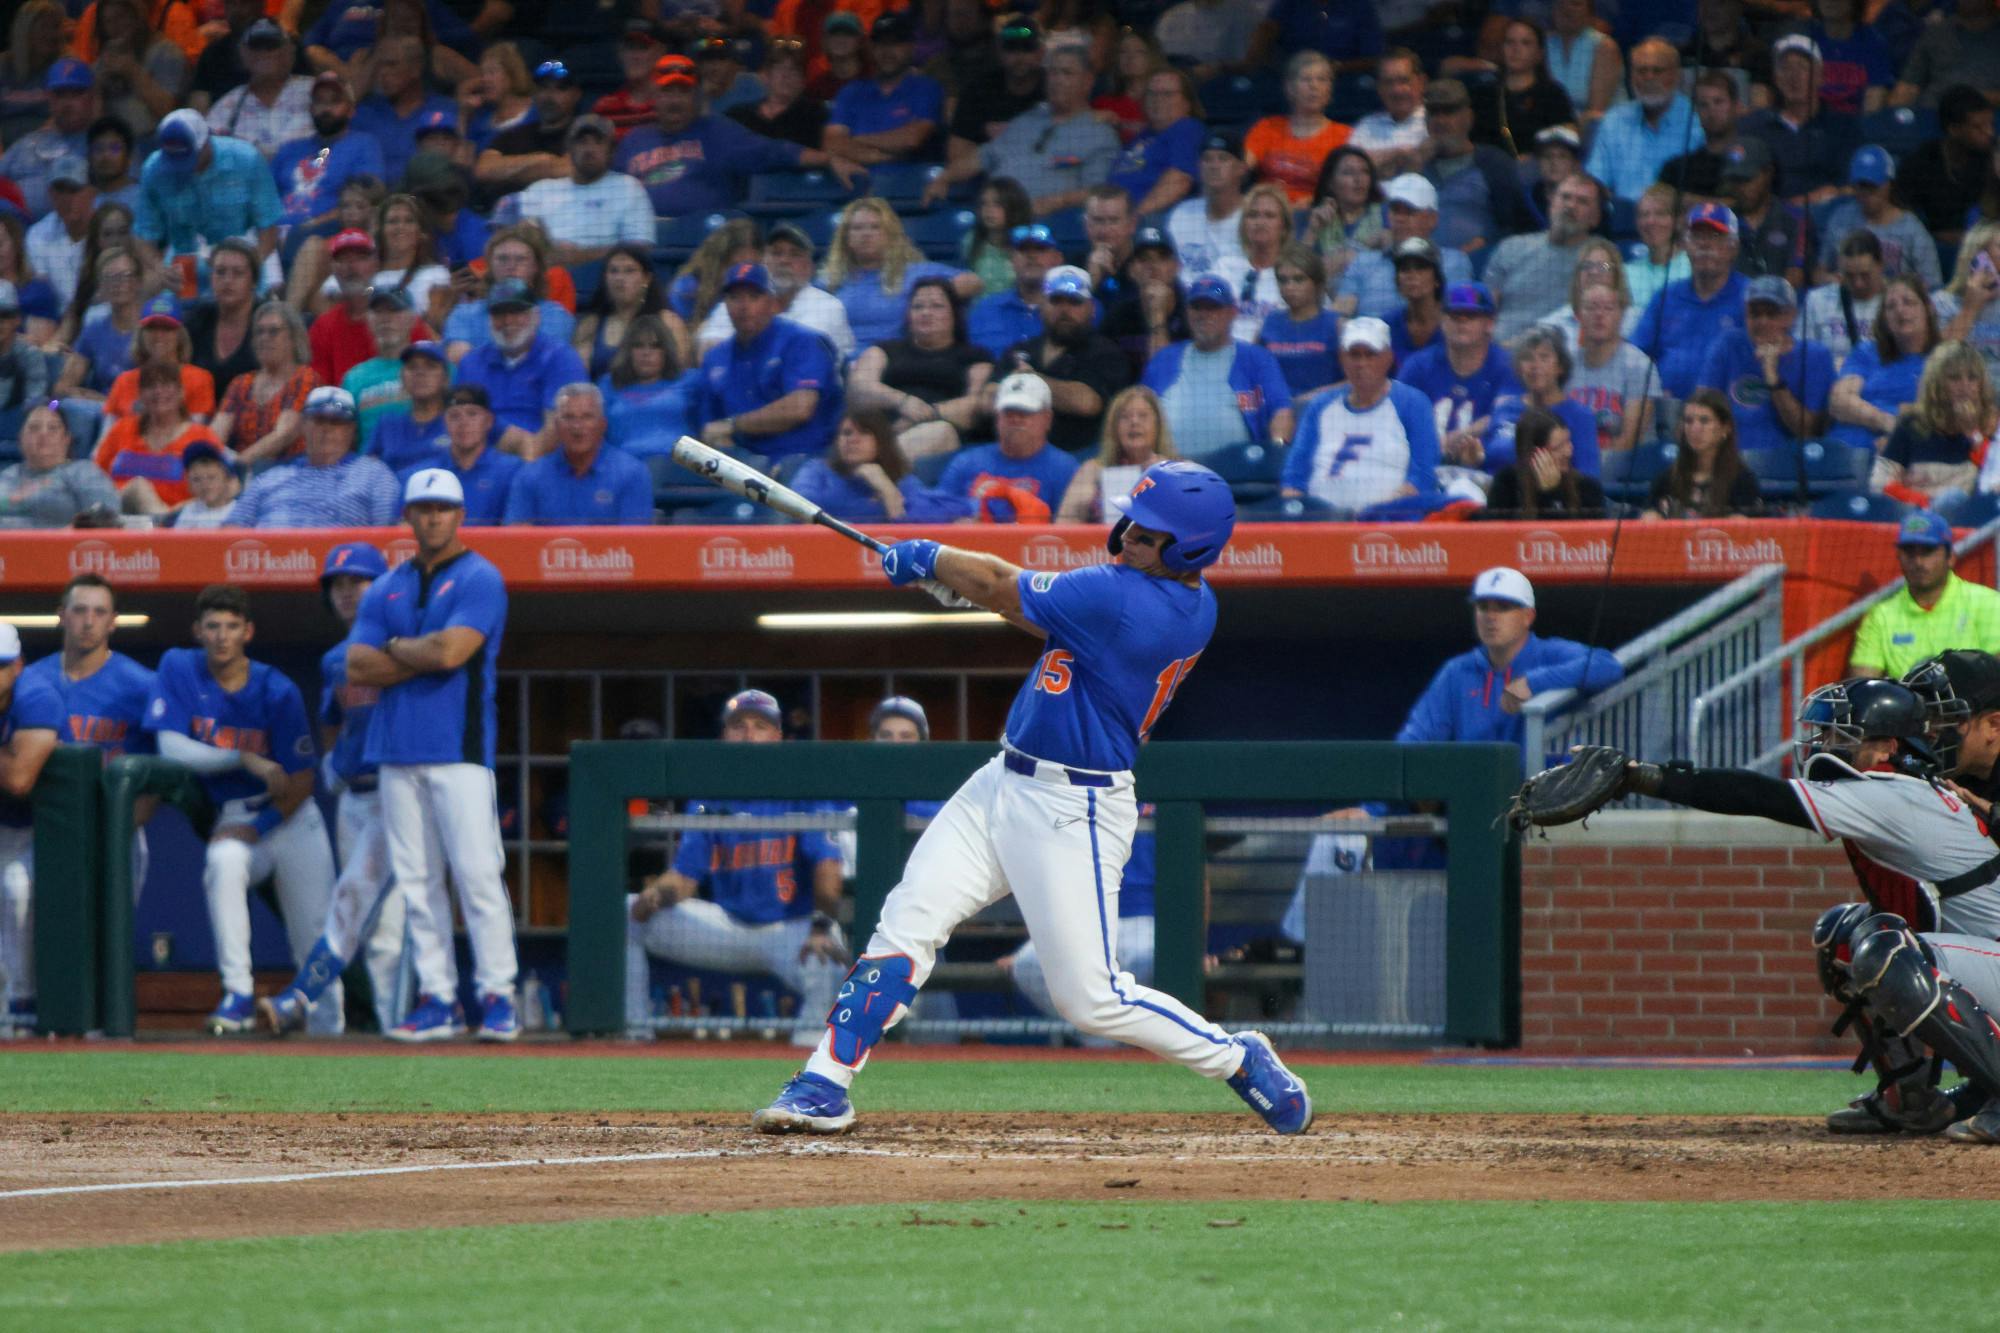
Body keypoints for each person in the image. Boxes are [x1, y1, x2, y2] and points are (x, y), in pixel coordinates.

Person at [752, 460, 1314, 1138]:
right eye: (1134, 519)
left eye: (1152, 532)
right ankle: (823, 1080)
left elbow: (1003, 583)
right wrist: (977, 592)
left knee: (1090, 999)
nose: (1132, 534)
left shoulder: (1132, 600)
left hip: (1072, 809)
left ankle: (1234, 1055)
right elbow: (1037, 612)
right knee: (906, 921)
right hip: (1002, 781)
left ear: (1192, 547)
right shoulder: (1153, 594)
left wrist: (930, 556)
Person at [346, 467, 519, 1042]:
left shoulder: (481, 576)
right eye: (423, 508)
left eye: (443, 507)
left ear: (460, 514)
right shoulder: (385, 585)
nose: (433, 517)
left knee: (476, 875)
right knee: (417, 881)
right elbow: (357, 664)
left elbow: (451, 651)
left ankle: (499, 994)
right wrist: (410, 654)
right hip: (395, 750)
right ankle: (438, 997)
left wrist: (395, 649)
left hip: (459, 749)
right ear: (409, 516)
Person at [146, 584, 335, 1035]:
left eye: (232, 626)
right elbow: (168, 747)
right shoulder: (179, 667)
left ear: (248, 631)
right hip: (236, 810)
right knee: (222, 862)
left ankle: (332, 1028)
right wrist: (241, 758)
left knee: (313, 930)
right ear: (198, 630)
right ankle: (237, 993)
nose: (222, 636)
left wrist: (263, 825)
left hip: (289, 818)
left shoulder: (277, 689)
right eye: (213, 626)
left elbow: (304, 779)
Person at [626, 688, 848, 1046]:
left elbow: (826, 867)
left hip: (791, 929)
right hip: (726, 928)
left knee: (830, 967)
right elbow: (685, 877)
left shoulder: (803, 788)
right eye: (738, 726)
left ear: (778, 737)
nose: (748, 735)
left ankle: (808, 1061)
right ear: (723, 737)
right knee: (626, 912)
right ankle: (631, 1032)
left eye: (760, 726)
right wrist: (656, 893)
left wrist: (822, 924)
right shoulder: (708, 797)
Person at [259, 544, 412, 1037]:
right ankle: (340, 1027)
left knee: (386, 927)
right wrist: (335, 761)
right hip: (354, 798)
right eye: (338, 584)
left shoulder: (404, 645)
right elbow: (332, 720)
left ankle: (394, 1031)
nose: (347, 592)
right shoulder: (332, 661)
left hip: (398, 794)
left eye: (358, 581)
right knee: (359, 918)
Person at [617, 53, 859, 218]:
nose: (675, 101)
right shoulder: (633, 141)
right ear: (654, 96)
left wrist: (828, 159)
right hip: (644, 246)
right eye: (667, 92)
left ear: (696, 97)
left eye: (683, 92)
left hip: (706, 241)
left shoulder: (718, 132)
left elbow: (776, 152)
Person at [922, 46, 1118, 216]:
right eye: (1053, 72)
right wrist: (945, 177)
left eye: (1067, 73)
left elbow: (1096, 190)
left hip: (1046, 226)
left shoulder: (1099, 134)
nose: (1057, 80)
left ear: (1088, 81)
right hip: (994, 219)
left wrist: (1054, 202)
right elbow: (983, 156)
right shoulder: (1027, 120)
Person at [1282, 316, 1439, 512]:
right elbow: (1294, 476)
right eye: (1354, 355)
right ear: (1342, 358)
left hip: (1387, 522)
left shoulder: (1412, 403)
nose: (1361, 363)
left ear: (1388, 357)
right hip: (1320, 522)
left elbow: (1423, 476)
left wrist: (1377, 514)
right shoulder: (1320, 406)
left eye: (1370, 354)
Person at [695, 262, 843, 462]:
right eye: (734, 297)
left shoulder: (803, 341)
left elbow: (800, 408)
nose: (744, 306)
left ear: (773, 303)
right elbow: (710, 427)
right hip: (742, 465)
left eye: (753, 297)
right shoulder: (716, 358)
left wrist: (734, 425)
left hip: (802, 459)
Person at [1140, 274, 1293, 457]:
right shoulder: (1165, 358)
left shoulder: (1256, 358)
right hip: (1171, 472)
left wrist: (1277, 452)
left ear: (1232, 312)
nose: (1204, 315)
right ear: (1187, 312)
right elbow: (1140, 409)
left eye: (1213, 307)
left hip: (1237, 474)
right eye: (1197, 307)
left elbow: (1281, 410)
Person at [991, 265, 1133, 455]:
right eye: (1056, 301)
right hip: (1016, 453)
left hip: (1081, 456)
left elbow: (1087, 402)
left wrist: (1029, 382)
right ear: (1042, 304)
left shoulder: (1105, 352)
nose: (1064, 310)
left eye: (1074, 301)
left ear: (1091, 308)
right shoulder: (1021, 350)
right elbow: (987, 397)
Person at [850, 277, 994, 459]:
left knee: (938, 431)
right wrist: (903, 402)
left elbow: (976, 404)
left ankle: (880, 465)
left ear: (954, 314)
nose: (926, 312)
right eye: (918, 307)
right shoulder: (884, 350)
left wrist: (925, 415)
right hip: (882, 431)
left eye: (937, 306)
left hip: (940, 432)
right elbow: (859, 388)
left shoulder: (975, 356)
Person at [1631, 203, 1751, 410]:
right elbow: (1636, 355)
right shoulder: (1666, 296)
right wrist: (1654, 390)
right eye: (1697, 237)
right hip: (1667, 410)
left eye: (1715, 237)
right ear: (1685, 245)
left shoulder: (1751, 297)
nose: (1705, 245)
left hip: (1730, 413)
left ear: (1733, 247)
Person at [1850, 510, 2000, 675]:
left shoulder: (1989, 603)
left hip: (1974, 700)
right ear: (1899, 557)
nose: (1918, 562)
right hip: (1909, 701)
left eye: (1928, 551)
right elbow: (1863, 685)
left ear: (1950, 557)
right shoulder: (1881, 617)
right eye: (1909, 552)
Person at [1697, 276, 1835, 454]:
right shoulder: (1728, 344)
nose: (1762, 321)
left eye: (1771, 313)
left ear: (1790, 316)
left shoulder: (1815, 356)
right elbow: (1702, 406)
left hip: (1788, 462)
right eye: (1755, 313)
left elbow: (1805, 430)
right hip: (1729, 457)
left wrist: (1772, 375)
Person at [227, 386, 401, 527]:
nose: (326, 429)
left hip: (342, 566)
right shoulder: (270, 478)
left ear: (351, 430)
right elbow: (230, 532)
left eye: (336, 422)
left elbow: (388, 537)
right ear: (303, 425)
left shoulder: (376, 475)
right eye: (319, 421)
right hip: (273, 564)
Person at [134, 109, 281, 273]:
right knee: (153, 289)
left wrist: (252, 269)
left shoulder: (247, 159)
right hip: (186, 259)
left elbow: (269, 226)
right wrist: (160, 269)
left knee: (270, 286)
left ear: (205, 142)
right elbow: (143, 235)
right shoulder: (153, 169)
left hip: (245, 251)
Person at [1397, 282, 1521, 475]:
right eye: (1454, 316)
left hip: (1485, 472)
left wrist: (1462, 436)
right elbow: (1397, 416)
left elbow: (1508, 415)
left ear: (1489, 323)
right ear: (1442, 320)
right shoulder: (1418, 365)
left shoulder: (1508, 366)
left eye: (1470, 316)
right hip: (1422, 471)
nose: (1461, 322)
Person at [820, 198, 973, 353]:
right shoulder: (829, 279)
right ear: (846, 237)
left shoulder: (916, 273)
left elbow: (973, 282)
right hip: (840, 360)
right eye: (857, 228)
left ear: (890, 235)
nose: (866, 234)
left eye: (875, 227)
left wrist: (931, 296)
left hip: (899, 359)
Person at [454, 279, 589, 452]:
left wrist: (526, 459)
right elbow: (462, 424)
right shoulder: (471, 363)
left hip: (542, 463)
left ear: (536, 316)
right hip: (483, 462)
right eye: (499, 314)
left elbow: (559, 429)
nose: (508, 321)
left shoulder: (561, 357)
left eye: (518, 312)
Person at [0, 621, 57, 1031]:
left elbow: (20, 780)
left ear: (17, 666)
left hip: (50, 829)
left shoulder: (37, 696)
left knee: (17, 888)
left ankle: (23, 997)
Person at [513, 117, 653, 272]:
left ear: (611, 150)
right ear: (569, 149)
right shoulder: (540, 189)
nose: (589, 149)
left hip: (602, 279)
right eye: (582, 142)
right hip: (545, 276)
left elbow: (640, 248)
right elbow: (517, 241)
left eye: (598, 142)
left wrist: (581, 255)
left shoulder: (628, 187)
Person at [501, 382, 651, 526]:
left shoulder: (632, 473)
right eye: (568, 417)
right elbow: (518, 543)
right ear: (557, 426)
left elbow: (634, 544)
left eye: (587, 417)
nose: (577, 427)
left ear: (603, 424)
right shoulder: (529, 476)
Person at [940, 372, 1081, 522]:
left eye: (1025, 413)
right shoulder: (965, 463)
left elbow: (1068, 529)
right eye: (1008, 412)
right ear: (997, 417)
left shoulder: (1066, 469)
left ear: (1047, 419)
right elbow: (937, 516)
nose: (1015, 419)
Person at [1417, 77, 1534, 256]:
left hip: (1480, 265)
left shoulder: (1494, 163)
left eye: (1449, 112)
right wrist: (1414, 166)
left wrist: (1489, 240)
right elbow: (1394, 220)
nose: (1440, 120)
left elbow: (1519, 225)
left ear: (1468, 117)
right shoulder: (1416, 165)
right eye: (1434, 112)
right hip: (1420, 268)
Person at [1335, 173, 1475, 319]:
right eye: (1395, 210)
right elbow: (1340, 314)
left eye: (1410, 212)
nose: (1400, 218)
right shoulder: (1363, 262)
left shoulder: (1455, 261)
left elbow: (1461, 316)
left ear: (1432, 219)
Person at [93, 362, 225, 515]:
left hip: (181, 519)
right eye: (151, 386)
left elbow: (223, 486)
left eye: (166, 385)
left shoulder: (202, 437)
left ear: (181, 392)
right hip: (120, 516)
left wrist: (180, 512)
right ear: (140, 395)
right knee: (138, 487)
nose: (158, 392)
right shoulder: (121, 429)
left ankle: (162, 525)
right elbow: (97, 477)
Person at [1739, 35, 1858, 205]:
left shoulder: (1842, 127)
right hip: (1770, 220)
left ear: (1820, 76)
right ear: (1776, 78)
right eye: (1785, 68)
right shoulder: (1754, 126)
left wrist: (1830, 194)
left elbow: (1852, 186)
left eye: (1803, 67)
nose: (1793, 76)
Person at [1485, 173, 1603, 342]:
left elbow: (1608, 272)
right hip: (1499, 352)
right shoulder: (1510, 247)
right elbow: (1486, 307)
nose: (1570, 205)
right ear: (1552, 203)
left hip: (1557, 355)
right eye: (1565, 197)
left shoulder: (1601, 256)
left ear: (1595, 218)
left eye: (1582, 201)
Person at [790, 410, 967, 523]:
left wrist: (886, 489)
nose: (852, 439)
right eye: (846, 433)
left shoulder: (899, 479)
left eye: (864, 433)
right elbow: (798, 508)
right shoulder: (817, 471)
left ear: (881, 442)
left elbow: (913, 529)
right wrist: (873, 507)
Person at [1585, 39, 1702, 204]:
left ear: (1677, 75)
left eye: (1657, 71)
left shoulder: (1696, 120)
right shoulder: (1615, 119)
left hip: (1677, 219)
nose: (1649, 77)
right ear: (1631, 75)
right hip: (1620, 220)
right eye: (1641, 70)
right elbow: (1597, 181)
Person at [1876, 341, 1994, 504]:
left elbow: (1994, 480)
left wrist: (1972, 433)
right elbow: (1880, 483)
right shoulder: (1911, 425)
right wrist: (1926, 504)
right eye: (1954, 378)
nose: (1965, 386)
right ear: (1936, 384)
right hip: (1918, 518)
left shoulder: (1991, 427)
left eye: (1972, 378)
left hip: (1971, 522)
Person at [1830, 276, 1941, 449]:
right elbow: (1839, 401)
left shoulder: (1942, 359)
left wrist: (1900, 437)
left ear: (1928, 309)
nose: (1900, 310)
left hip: (1900, 454)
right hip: (1842, 449)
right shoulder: (1866, 352)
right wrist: (1887, 421)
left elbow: (1933, 418)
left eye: (1909, 302)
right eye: (1891, 306)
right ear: (1884, 319)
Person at [822, 12, 943, 167]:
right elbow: (832, 142)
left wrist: (853, 140)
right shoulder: (851, 91)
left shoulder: (927, 88)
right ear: (871, 47)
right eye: (881, 44)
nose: (887, 51)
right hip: (857, 185)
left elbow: (911, 139)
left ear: (911, 47)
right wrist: (879, 156)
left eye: (895, 43)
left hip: (910, 186)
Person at [1486, 325, 1600, 477]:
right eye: (1527, 358)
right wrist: (1476, 458)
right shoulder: (1504, 409)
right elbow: (1488, 459)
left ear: (1560, 367)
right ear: (1519, 367)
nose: (1535, 366)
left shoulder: (1580, 416)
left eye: (1544, 357)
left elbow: (1589, 479)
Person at [213, 300, 316, 466]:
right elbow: (215, 434)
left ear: (293, 338)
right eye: (259, 332)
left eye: (273, 331)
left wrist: (238, 465)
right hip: (240, 472)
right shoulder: (241, 383)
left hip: (289, 471)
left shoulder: (305, 378)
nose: (264, 338)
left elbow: (283, 435)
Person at [346, 37, 457, 192]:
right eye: (379, 66)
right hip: (371, 202)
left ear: (416, 68)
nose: (383, 73)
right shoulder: (364, 113)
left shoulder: (444, 108)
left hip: (424, 198)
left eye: (391, 65)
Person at [1056, 385, 1178, 522]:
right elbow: (1063, 525)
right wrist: (1081, 505)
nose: (1134, 422)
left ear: (1158, 424)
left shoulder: (1179, 470)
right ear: (1114, 428)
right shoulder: (1091, 471)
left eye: (1143, 416)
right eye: (1125, 417)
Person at [1569, 280, 1661, 458]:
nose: (1599, 315)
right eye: (1592, 308)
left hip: (1623, 470)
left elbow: (1629, 441)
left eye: (1608, 308)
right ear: (1578, 315)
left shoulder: (1638, 365)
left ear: (1620, 315)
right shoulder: (1568, 364)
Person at [1897, 85, 1993, 252]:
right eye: (1978, 127)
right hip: (1931, 248)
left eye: (1989, 124)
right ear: (1954, 129)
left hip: (1985, 248)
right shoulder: (1923, 160)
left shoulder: (1992, 158)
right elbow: (1901, 209)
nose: (1989, 132)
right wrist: (1931, 235)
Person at [473, 58, 583, 205]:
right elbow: (483, 170)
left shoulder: (582, 133)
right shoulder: (513, 134)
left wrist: (507, 170)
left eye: (560, 88)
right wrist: (543, 159)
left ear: (576, 94)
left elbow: (569, 169)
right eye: (543, 88)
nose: (549, 96)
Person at [1244, 52, 1348, 208]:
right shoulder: (1267, 127)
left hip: (1314, 216)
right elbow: (1239, 170)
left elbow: (1346, 189)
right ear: (1289, 88)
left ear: (1330, 89)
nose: (1314, 86)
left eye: (1322, 79)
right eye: (1306, 79)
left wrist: (1315, 202)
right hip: (1266, 211)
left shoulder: (1344, 135)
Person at [1644, 388, 1763, 520]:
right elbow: (1649, 520)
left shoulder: (1743, 482)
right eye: (1689, 421)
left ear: (1725, 428)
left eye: (1704, 421)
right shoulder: (1665, 481)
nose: (1695, 429)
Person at [0, 58, 94, 221]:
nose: (67, 103)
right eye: (60, 94)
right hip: (19, 236)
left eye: (76, 93)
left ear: (92, 97)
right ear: (48, 98)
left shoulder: (103, 143)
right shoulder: (25, 144)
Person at [1467, 17, 1576, 158]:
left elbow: (1566, 139)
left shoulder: (1553, 95)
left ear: (1540, 53)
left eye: (1525, 43)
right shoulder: (1482, 94)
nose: (1516, 49)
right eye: (1510, 42)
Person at [205, 18, 311, 161]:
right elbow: (210, 160)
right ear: (243, 53)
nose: (264, 53)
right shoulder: (226, 107)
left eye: (272, 45)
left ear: (289, 51)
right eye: (256, 46)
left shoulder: (315, 91)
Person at [102, 294, 213, 424]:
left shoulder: (199, 379)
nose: (159, 335)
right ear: (141, 335)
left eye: (167, 328)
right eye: (152, 328)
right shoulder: (124, 381)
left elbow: (197, 436)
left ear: (180, 335)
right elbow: (106, 436)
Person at [1108, 67, 1202, 217]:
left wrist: (1134, 219)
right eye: (1152, 93)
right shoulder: (1143, 136)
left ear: (1186, 103)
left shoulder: (1186, 129)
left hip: (1149, 221)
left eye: (1167, 94)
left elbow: (1178, 181)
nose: (1158, 100)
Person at [0, 404, 115, 525]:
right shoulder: (7, 476)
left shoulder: (85, 473)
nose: (43, 433)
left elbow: (106, 520)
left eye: (53, 428)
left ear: (67, 439)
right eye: (34, 428)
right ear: (20, 438)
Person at [1482, 405, 1606, 517]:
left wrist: (1552, 494)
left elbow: (1574, 538)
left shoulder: (1587, 488)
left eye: (1568, 442)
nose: (1568, 452)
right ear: (1533, 454)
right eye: (1558, 447)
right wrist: (1545, 497)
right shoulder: (1507, 484)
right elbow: (1498, 535)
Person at [1102, 226, 1191, 378]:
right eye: (1144, 259)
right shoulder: (1118, 317)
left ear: (1176, 266)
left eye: (1162, 258)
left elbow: (1163, 379)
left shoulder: (1192, 312)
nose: (1153, 266)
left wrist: (1157, 316)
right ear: (1131, 270)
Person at [1722, 140, 1810, 291]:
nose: (1739, 188)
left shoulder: (1794, 218)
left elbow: (1796, 275)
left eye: (1746, 179)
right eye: (1734, 180)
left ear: (1768, 173)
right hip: (1729, 306)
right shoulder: (1723, 219)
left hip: (1777, 305)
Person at [1259, 245, 1343, 400]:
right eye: (1283, 280)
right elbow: (1251, 372)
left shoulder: (1337, 325)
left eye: (1299, 279)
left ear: (1317, 283)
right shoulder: (1269, 322)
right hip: (1276, 414)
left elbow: (1352, 382)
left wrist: (1310, 398)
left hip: (1323, 413)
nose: (1289, 287)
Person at [968, 222, 1061, 359]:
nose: (1031, 256)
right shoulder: (984, 310)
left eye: (1040, 249)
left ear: (1057, 258)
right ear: (1012, 259)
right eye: (1023, 250)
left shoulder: (1074, 309)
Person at [1799, 229, 1888, 370]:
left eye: (1865, 275)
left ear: (1881, 265)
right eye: (1850, 276)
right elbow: (1803, 354)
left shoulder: (1896, 303)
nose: (1858, 283)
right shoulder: (1817, 301)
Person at [1166, 130, 1249, 279]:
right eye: (1207, 159)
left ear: (1241, 168)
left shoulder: (1254, 216)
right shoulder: (1182, 214)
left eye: (1223, 158)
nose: (1214, 166)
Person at [1218, 183, 1294, 342]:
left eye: (1269, 216)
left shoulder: (1295, 274)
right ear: (1243, 224)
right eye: (1253, 215)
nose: (1260, 222)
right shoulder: (1224, 267)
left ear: (1284, 228)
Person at [360, 339, 448, 473]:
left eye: (430, 366)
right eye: (412, 366)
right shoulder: (387, 425)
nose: (420, 373)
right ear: (402, 377)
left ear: (445, 378)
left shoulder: (456, 425)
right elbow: (366, 474)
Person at [1891, 3, 2000, 109]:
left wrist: (1971, 99)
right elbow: (1908, 85)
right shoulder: (1937, 32)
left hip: (1987, 117)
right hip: (1932, 114)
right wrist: (1894, 115)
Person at [1307, 145, 1385, 292]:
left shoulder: (1386, 214)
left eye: (1365, 172)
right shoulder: (1312, 217)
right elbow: (1300, 272)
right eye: (1348, 173)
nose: (1358, 179)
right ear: (1330, 183)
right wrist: (1312, 230)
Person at [1657, 69, 1744, 200]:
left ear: (1736, 106)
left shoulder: (1749, 162)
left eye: (1718, 102)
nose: (1711, 111)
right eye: (1703, 104)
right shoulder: (1678, 169)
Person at [1932, 223, 2000, 391]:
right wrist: (1970, 308)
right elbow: (1940, 357)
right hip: (1958, 392)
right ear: (1977, 257)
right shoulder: (1942, 302)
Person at [26, 155, 94, 311]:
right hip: (56, 320)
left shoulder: (107, 229)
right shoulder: (37, 235)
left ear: (91, 192)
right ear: (51, 193)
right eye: (60, 190)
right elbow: (41, 295)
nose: (67, 198)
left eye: (74, 190)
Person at [1348, 47, 1428, 177]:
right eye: (1388, 82)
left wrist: (1375, 161)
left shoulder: (1435, 120)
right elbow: (1350, 169)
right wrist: (1396, 154)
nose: (1396, 90)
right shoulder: (1366, 126)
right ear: (1379, 88)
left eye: (1404, 81)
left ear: (1421, 82)